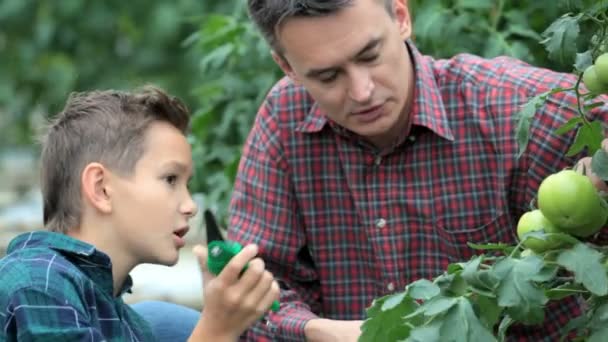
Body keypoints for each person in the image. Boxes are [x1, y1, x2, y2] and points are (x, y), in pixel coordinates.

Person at [225, 0, 608, 341]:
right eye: (328, 77)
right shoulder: (284, 120)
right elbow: (251, 282)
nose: (361, 91)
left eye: (370, 55)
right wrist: (315, 330)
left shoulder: (507, 107)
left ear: (401, 17)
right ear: (287, 66)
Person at [0, 86, 280, 341]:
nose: (190, 205)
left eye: (187, 184)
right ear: (102, 189)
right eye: (171, 179)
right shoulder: (39, 282)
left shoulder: (129, 324)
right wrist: (217, 330)